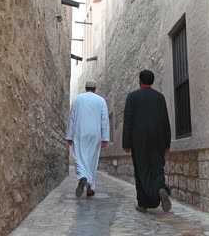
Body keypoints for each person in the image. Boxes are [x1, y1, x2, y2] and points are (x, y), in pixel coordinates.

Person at [122, 70, 172, 212]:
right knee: (157, 167)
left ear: (140, 80)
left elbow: (128, 121)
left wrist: (126, 143)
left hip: (139, 141)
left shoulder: (132, 97)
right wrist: (167, 142)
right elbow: (165, 121)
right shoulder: (159, 97)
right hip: (158, 139)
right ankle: (161, 188)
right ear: (152, 81)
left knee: (141, 170)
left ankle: (143, 204)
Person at [66, 81, 110, 197]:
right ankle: (90, 189)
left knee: (79, 158)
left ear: (85, 88)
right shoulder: (101, 100)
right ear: (95, 89)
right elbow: (104, 120)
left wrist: (69, 135)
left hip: (80, 133)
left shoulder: (77, 99)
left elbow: (72, 118)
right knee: (92, 160)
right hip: (95, 134)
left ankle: (82, 177)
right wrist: (105, 137)